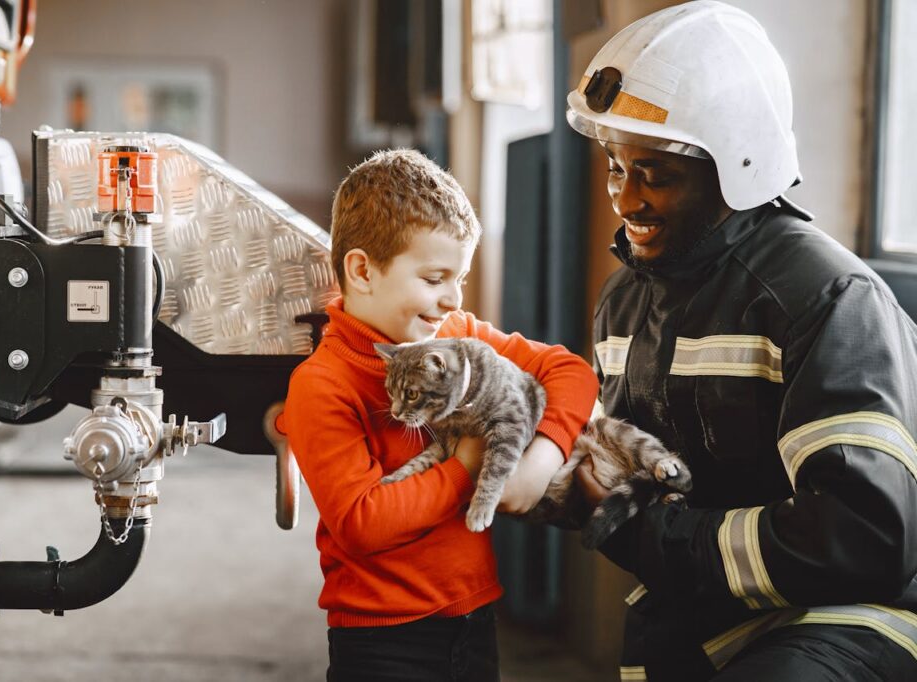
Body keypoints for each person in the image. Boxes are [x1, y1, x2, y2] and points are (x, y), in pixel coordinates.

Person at [561, 2, 917, 681]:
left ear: (737, 170)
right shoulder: (625, 300)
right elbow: (617, 477)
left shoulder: (828, 298)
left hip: (854, 620)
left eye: (656, 174)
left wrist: (645, 534)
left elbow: (863, 539)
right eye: (616, 166)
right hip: (702, 615)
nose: (625, 200)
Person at [281, 149, 598, 681]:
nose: (452, 299)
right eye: (434, 279)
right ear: (362, 270)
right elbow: (361, 524)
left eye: (460, 279)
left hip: (474, 617)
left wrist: (541, 459)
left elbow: (570, 371)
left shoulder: (457, 336)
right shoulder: (322, 384)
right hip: (382, 641)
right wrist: (468, 463)